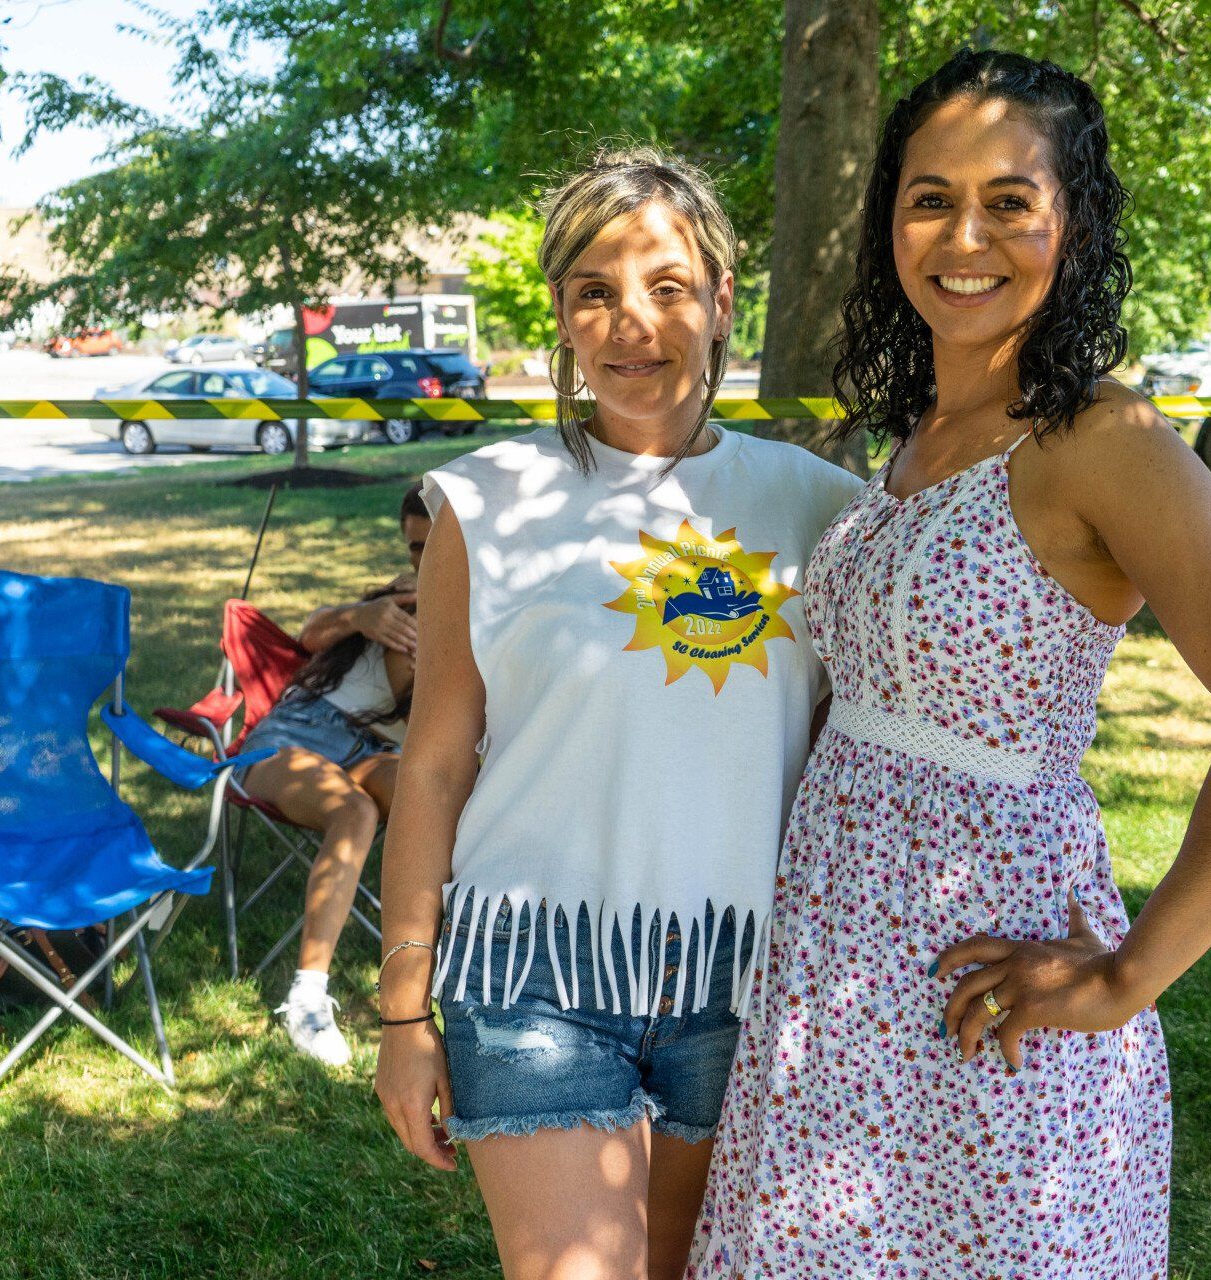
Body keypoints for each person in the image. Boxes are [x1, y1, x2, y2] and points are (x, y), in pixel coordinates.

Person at [687, 50, 1211, 1278]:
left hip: (983, 978)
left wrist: (1128, 974)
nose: (965, 233)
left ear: (1074, 221)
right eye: (930, 198)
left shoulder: (1102, 437)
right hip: (833, 966)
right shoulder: (918, 435)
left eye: (1010, 199)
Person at [372, 147, 862, 1280]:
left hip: (743, 985)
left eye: (666, 285)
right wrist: (405, 1013)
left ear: (722, 296)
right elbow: (435, 764)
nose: (631, 322)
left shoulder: (819, 505)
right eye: (594, 290)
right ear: (561, 313)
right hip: (529, 981)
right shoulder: (482, 501)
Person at [242, 483, 432, 1066]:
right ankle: (307, 998)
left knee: (438, 804)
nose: (421, 563)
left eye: (434, 548)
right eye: (414, 549)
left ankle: (462, 974)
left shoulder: (488, 614)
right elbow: (310, 634)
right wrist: (361, 615)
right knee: (354, 812)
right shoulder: (399, 605)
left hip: (371, 750)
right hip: (296, 736)